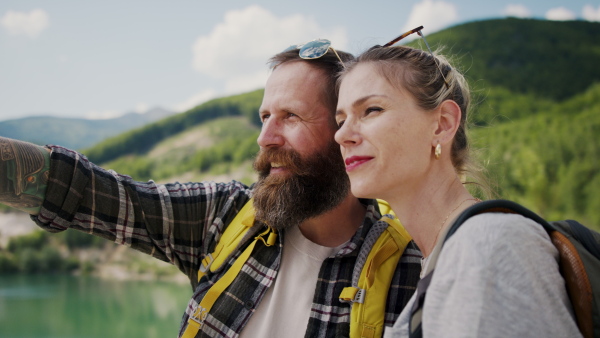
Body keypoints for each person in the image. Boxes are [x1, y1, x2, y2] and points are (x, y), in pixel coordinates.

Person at [0, 42, 421, 338]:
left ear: (346, 130)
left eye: (290, 117)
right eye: (264, 116)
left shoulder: (412, 268)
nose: (266, 138)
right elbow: (89, 190)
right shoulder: (226, 216)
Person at [333, 27, 582, 337]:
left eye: (371, 110)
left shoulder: (486, 246)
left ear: (442, 124)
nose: (341, 135)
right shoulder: (444, 256)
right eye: (340, 120)